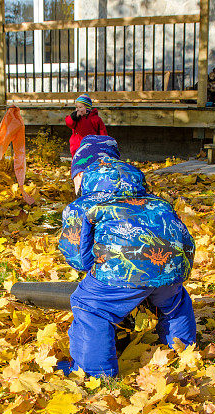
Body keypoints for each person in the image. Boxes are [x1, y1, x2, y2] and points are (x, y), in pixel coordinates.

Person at [58, 135, 197, 377]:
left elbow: (77, 258)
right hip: (172, 265)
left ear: (80, 175)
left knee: (91, 307)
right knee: (174, 301)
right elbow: (182, 237)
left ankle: (94, 373)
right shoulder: (154, 200)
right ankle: (183, 351)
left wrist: (94, 265)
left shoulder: (82, 205)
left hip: (123, 267)